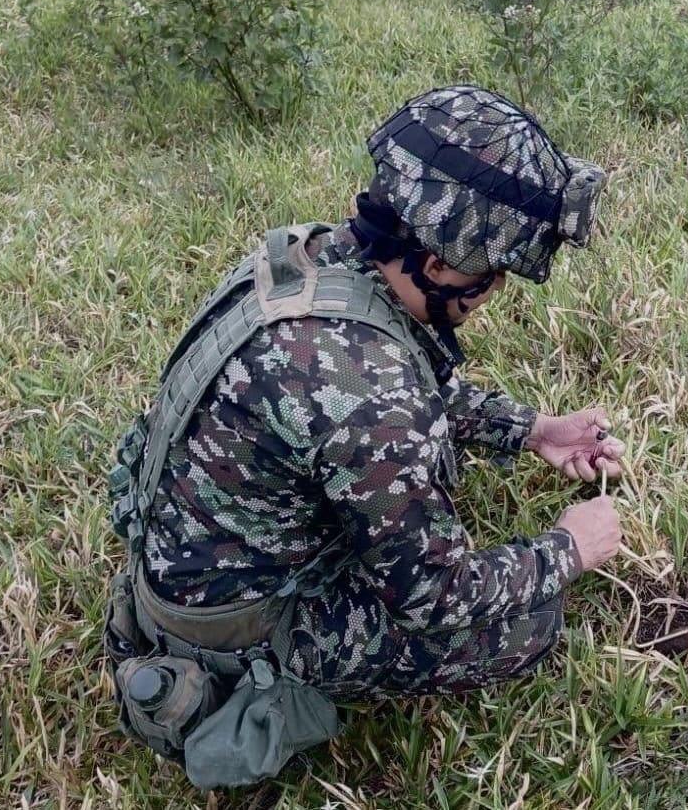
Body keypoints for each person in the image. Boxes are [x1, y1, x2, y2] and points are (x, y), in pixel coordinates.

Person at [103, 85, 625, 788]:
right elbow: (436, 597)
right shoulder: (374, 396)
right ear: (438, 266)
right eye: (493, 275)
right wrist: (568, 547)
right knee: (525, 626)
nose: (496, 291)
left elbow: (379, 390)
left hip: (181, 570)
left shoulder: (308, 259)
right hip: (237, 629)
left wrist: (532, 431)